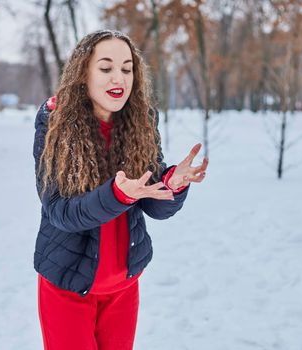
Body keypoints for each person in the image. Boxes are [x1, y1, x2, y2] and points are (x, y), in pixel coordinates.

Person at [33, 29, 209, 350]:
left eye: (127, 69)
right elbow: (59, 212)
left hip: (123, 288)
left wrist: (173, 184)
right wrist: (117, 195)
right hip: (68, 286)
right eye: (106, 68)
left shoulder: (140, 121)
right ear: (83, 73)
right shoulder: (55, 122)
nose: (119, 78)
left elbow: (152, 201)